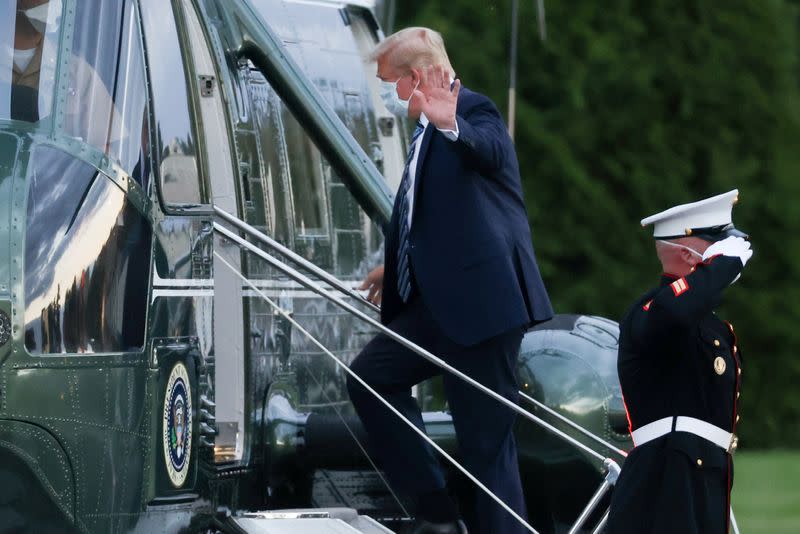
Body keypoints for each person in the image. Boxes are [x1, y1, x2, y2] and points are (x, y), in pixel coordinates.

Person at [346, 27, 553, 534]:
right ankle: (436, 514)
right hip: (439, 307)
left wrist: (452, 124)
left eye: (389, 83)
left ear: (416, 78)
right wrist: (395, 268)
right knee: (370, 377)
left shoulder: (473, 113)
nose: (387, 95)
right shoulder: (423, 133)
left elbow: (488, 151)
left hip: (484, 311)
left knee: (487, 452)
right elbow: (435, 218)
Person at [607, 190, 752, 533]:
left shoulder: (710, 324)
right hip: (667, 474)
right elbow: (674, 312)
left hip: (703, 472)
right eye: (715, 247)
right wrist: (721, 268)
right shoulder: (651, 311)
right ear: (689, 255)